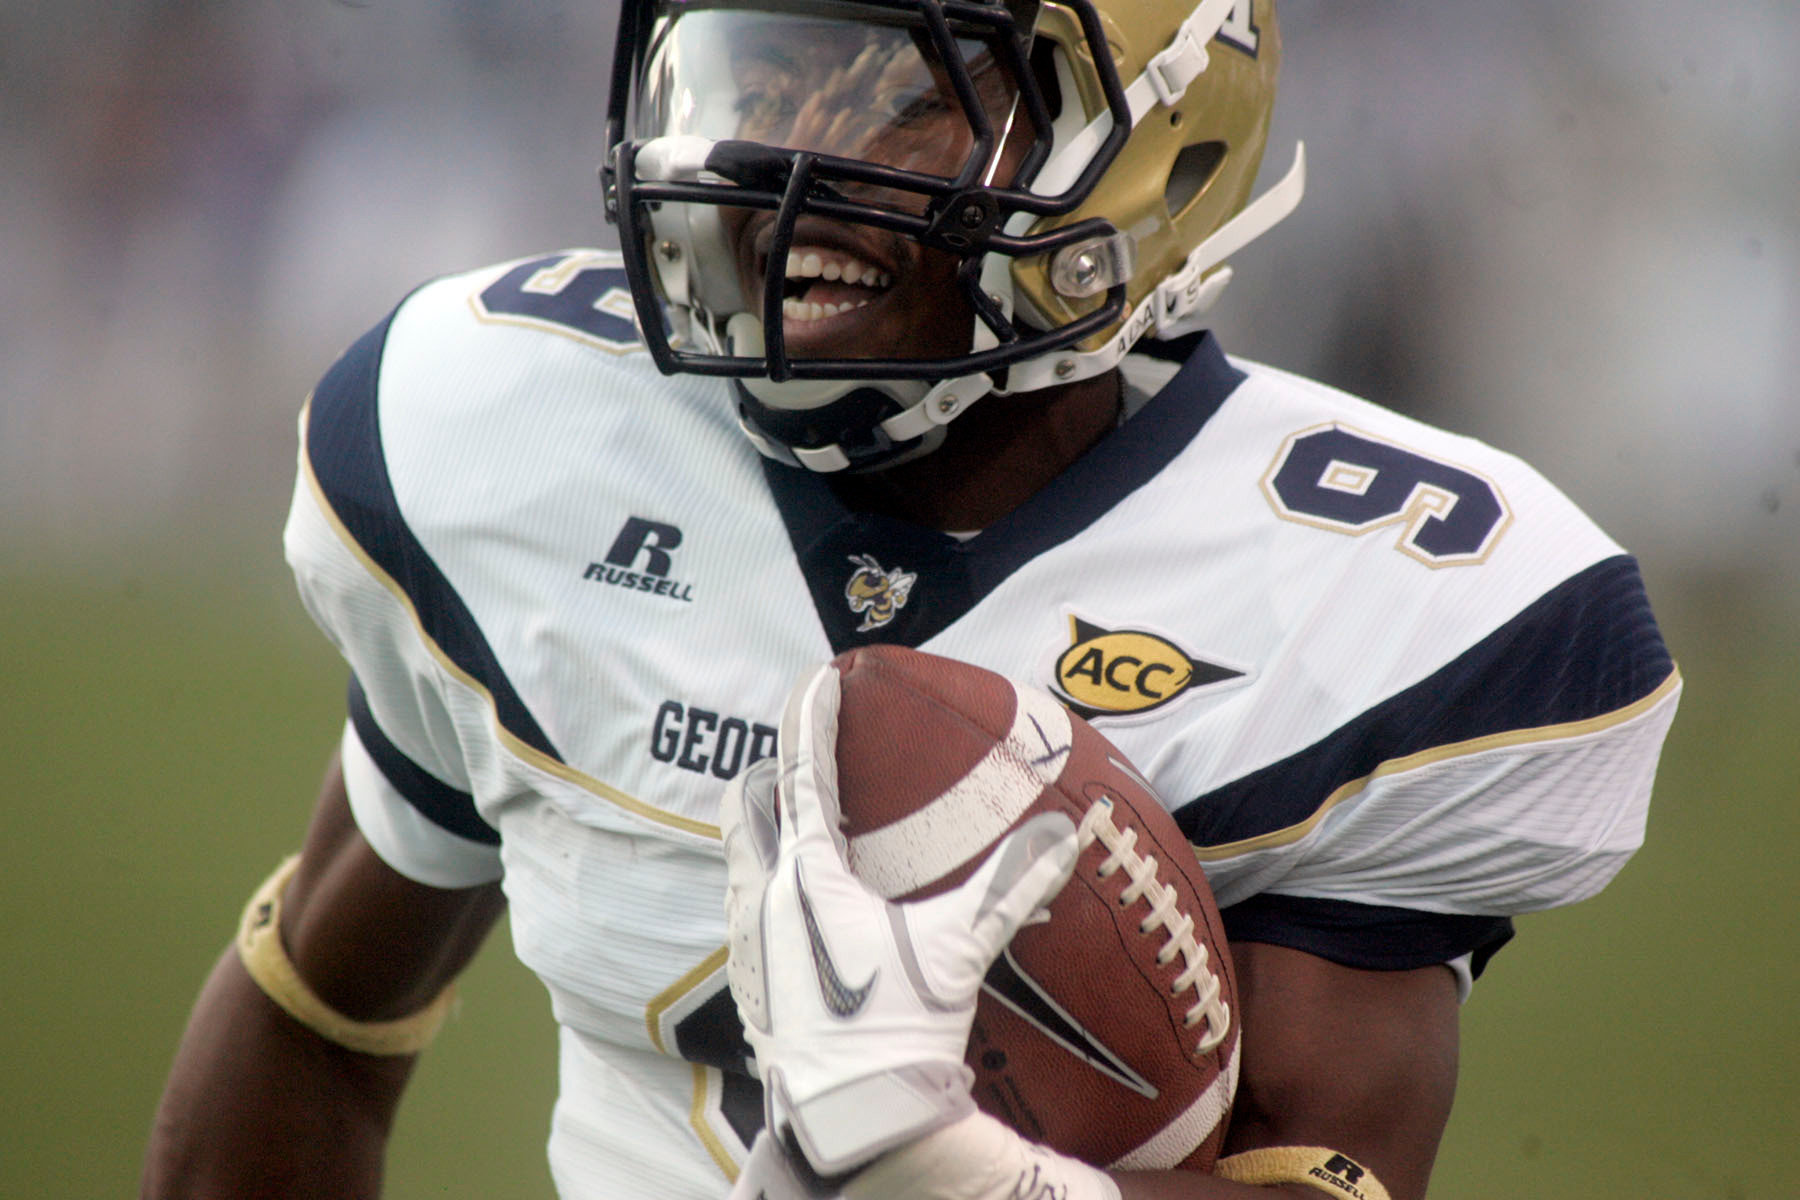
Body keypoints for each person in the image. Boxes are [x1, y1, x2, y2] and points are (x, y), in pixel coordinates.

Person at [142, 0, 1680, 1197]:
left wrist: (972, 1180)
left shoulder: (1392, 605)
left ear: (1147, 144)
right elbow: (318, 1013)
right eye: (763, 74)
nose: (789, 160)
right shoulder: (505, 430)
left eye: (900, 96)